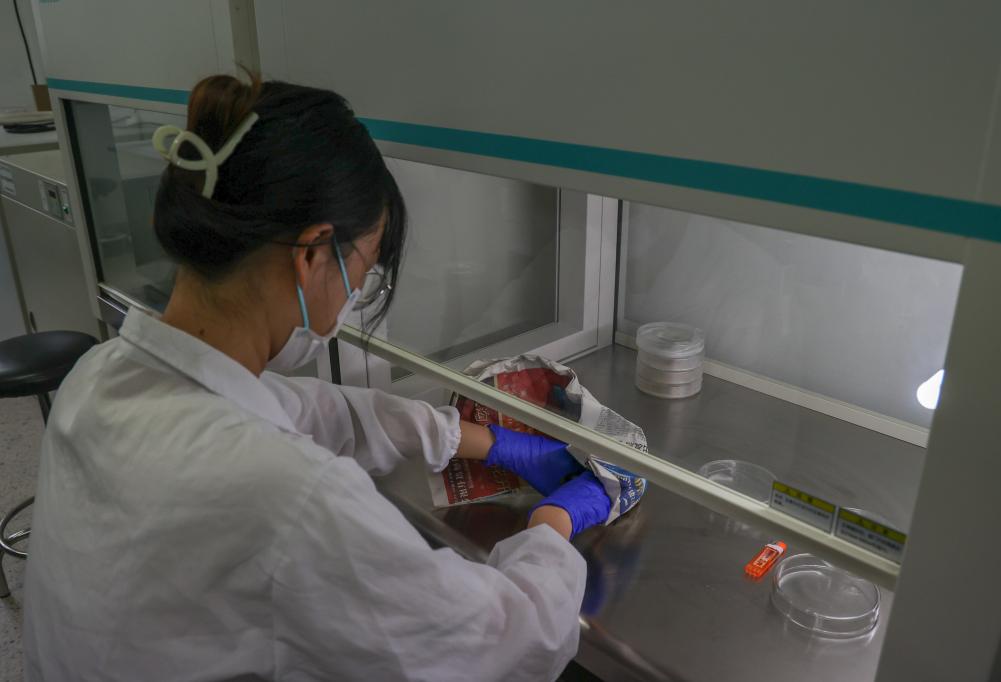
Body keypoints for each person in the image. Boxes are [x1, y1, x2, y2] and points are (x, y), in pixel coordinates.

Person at [21, 75, 613, 681]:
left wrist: (481, 441)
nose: (356, 294)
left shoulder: (98, 376)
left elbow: (306, 408)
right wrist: (552, 526)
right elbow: (497, 644)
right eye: (363, 271)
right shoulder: (290, 501)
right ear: (311, 255)